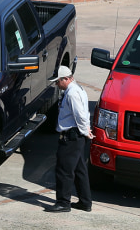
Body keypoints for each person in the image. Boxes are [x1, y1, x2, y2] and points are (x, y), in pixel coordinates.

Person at [45, 65, 94, 213]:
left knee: (64, 170)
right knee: (80, 170)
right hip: (77, 136)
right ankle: (85, 202)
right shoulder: (77, 89)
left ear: (66, 79)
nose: (56, 84)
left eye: (58, 81)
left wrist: (86, 131)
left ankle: (63, 202)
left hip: (72, 137)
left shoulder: (72, 93)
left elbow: (80, 115)